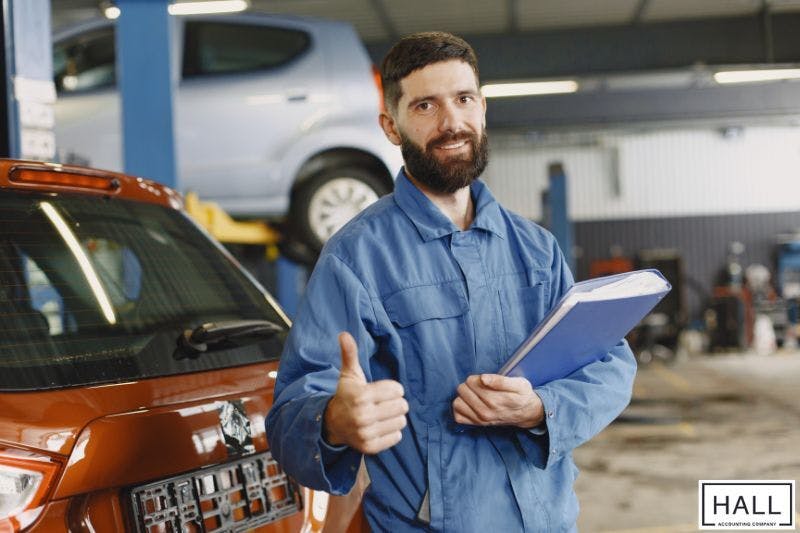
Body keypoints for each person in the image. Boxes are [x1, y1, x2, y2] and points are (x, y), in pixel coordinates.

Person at [266, 31, 637, 532]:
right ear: (391, 127)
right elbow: (291, 415)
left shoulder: (536, 249)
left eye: (463, 99)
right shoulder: (356, 259)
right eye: (425, 106)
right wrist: (333, 420)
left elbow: (609, 364)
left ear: (482, 107)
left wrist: (540, 408)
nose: (452, 123)